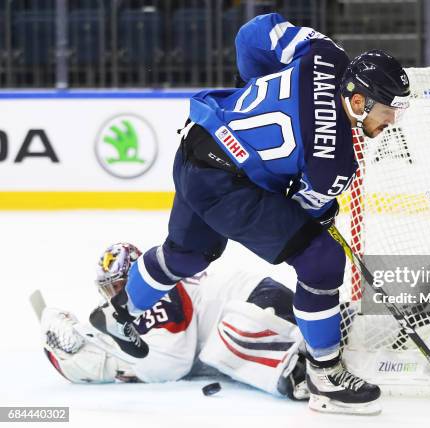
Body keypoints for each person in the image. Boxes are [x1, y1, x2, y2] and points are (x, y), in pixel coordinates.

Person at [90, 13, 410, 415]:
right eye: (389, 110)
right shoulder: (335, 164)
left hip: (197, 140)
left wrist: (252, 85)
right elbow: (300, 212)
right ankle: (326, 377)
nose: (392, 121)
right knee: (322, 261)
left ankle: (120, 313)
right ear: (359, 101)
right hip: (222, 184)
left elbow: (253, 34)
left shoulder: (326, 54)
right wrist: (326, 211)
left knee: (186, 255)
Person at [42, 243, 308, 400]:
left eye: (120, 285)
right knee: (219, 351)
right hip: (261, 302)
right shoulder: (146, 297)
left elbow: (172, 365)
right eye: (109, 289)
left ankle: (302, 372)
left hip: (259, 303)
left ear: (135, 278)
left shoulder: (159, 293)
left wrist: (111, 363)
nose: (115, 295)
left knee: (221, 348)